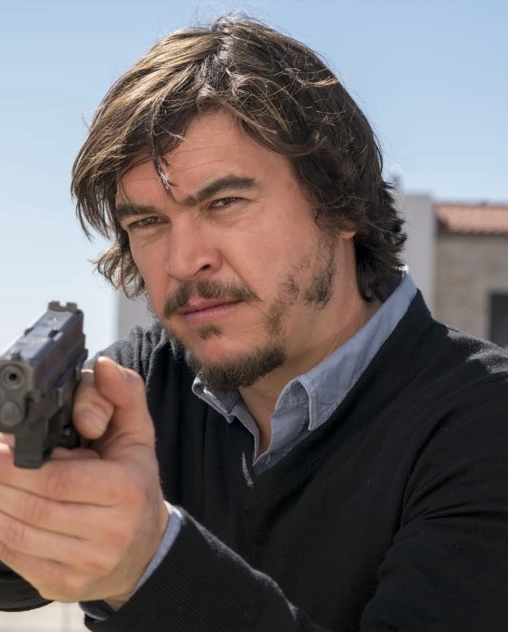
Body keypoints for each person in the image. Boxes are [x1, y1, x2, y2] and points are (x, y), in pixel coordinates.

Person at [1, 14, 508, 632]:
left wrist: (149, 568)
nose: (183, 261)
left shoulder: (486, 421)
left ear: (341, 204)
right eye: (148, 223)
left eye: (224, 203)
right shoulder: (134, 386)